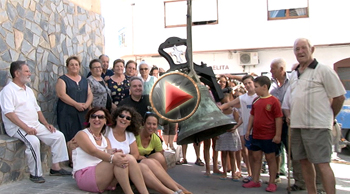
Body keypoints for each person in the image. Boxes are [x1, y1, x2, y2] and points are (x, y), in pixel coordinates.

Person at [288, 38, 345, 194]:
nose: (300, 52)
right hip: (297, 126)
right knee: (304, 162)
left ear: (311, 49)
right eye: (297, 49)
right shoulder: (294, 74)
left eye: (303, 48)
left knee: (322, 164)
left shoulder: (324, 70)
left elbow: (339, 97)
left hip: (318, 126)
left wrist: (330, 116)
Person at [0, 61, 70, 183]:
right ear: (17, 73)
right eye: (26, 71)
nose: (30, 74)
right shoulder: (7, 91)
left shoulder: (28, 90)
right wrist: (26, 128)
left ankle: (55, 168)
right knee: (33, 141)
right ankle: (35, 174)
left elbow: (37, 109)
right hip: (17, 128)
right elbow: (9, 114)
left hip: (35, 124)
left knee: (58, 136)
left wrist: (46, 124)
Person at [105, 106, 187, 194]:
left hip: (127, 167)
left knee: (146, 164)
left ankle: (175, 190)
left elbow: (136, 155)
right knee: (144, 163)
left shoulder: (130, 135)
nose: (124, 119)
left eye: (128, 118)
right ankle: (173, 191)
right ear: (116, 117)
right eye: (121, 116)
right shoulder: (106, 131)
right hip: (113, 167)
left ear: (130, 122)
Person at [72, 107, 148, 194]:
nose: (97, 119)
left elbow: (107, 153)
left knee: (127, 158)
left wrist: (115, 153)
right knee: (120, 160)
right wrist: (113, 158)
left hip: (102, 175)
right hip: (85, 176)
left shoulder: (105, 139)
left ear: (105, 121)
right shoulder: (82, 134)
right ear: (89, 120)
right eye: (93, 116)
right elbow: (94, 151)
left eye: (101, 117)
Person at [242, 76, 283, 192]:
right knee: (256, 158)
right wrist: (248, 129)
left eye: (256, 87)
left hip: (269, 135)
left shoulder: (274, 101)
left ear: (265, 87)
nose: (254, 89)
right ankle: (255, 180)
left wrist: (278, 135)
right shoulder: (256, 100)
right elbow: (252, 116)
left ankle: (272, 182)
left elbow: (278, 118)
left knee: (271, 159)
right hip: (256, 135)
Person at [219, 75, 257, 183]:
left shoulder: (258, 96)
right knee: (249, 153)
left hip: (259, 129)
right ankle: (252, 175)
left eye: (249, 83)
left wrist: (230, 76)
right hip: (247, 130)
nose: (247, 85)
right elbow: (230, 104)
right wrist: (220, 108)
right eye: (245, 84)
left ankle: (257, 177)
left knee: (257, 155)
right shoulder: (243, 98)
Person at [56, 56, 93, 166]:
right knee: (70, 135)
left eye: (76, 64)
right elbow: (61, 94)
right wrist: (76, 104)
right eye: (71, 64)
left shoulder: (84, 80)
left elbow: (90, 94)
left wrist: (86, 104)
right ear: (67, 66)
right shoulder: (62, 79)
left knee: (82, 135)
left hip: (83, 112)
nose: (74, 66)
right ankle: (73, 161)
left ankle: (83, 159)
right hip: (67, 112)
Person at [269, 58, 290, 182]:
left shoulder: (292, 81)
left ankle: (299, 180)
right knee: (275, 149)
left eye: (273, 68)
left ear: (281, 69)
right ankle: (275, 175)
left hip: (287, 120)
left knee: (290, 149)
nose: (271, 71)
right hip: (275, 122)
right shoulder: (271, 84)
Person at [215, 93, 242, 181]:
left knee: (232, 154)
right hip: (222, 134)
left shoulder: (234, 110)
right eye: (224, 101)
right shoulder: (220, 111)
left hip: (231, 134)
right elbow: (217, 122)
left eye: (228, 101)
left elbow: (237, 121)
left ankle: (234, 172)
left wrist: (234, 128)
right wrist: (217, 133)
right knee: (223, 154)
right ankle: (224, 172)